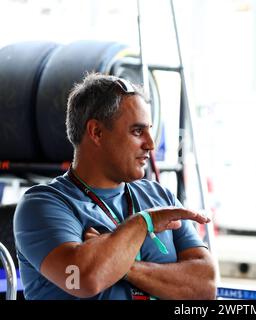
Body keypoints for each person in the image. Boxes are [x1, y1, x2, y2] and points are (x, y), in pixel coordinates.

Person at [13, 73, 217, 300]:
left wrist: (123, 265)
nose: (150, 144)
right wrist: (143, 222)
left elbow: (205, 288)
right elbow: (80, 279)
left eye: (149, 130)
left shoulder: (159, 197)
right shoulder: (42, 205)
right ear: (96, 132)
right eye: (138, 131)